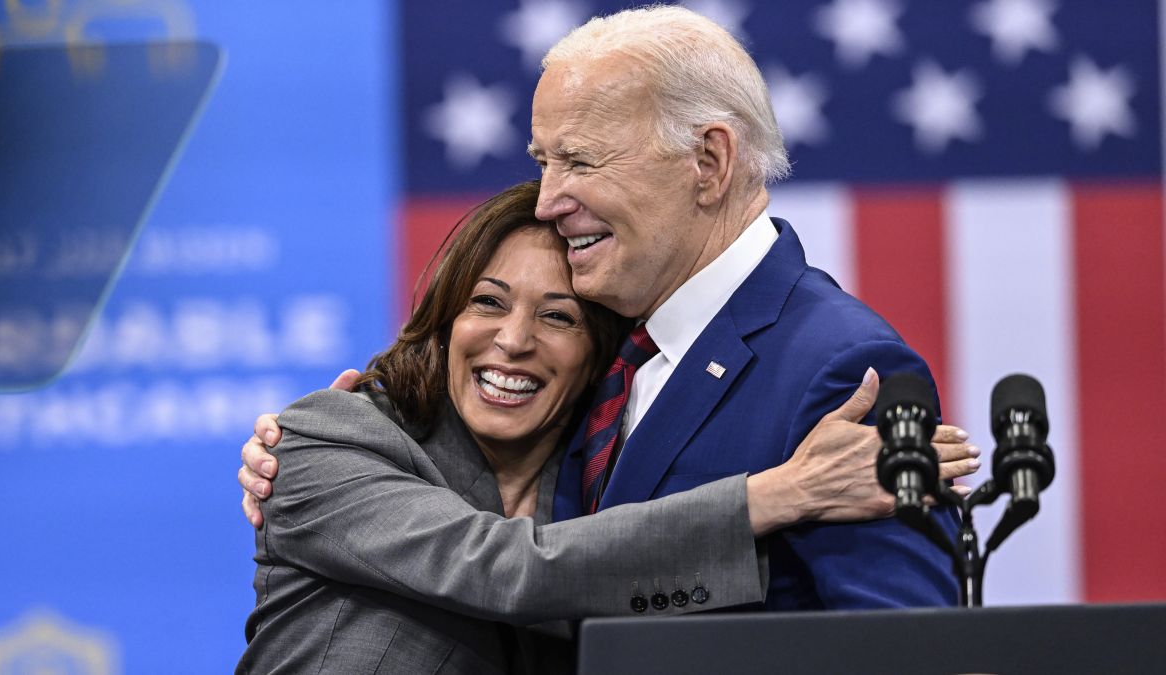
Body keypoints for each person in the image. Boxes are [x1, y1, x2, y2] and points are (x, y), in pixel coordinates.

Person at [244, 5, 976, 614]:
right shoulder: (609, 356)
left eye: (581, 161)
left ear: (709, 162)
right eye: (542, 161)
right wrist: (329, 444)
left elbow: (904, 649)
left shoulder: (839, 367)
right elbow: (519, 554)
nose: (547, 199)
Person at [237, 182, 975, 673]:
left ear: (600, 354)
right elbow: (510, 568)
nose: (514, 340)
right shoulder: (326, 439)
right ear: (444, 318)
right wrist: (781, 494)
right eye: (488, 303)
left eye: (557, 316)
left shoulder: (592, 480)